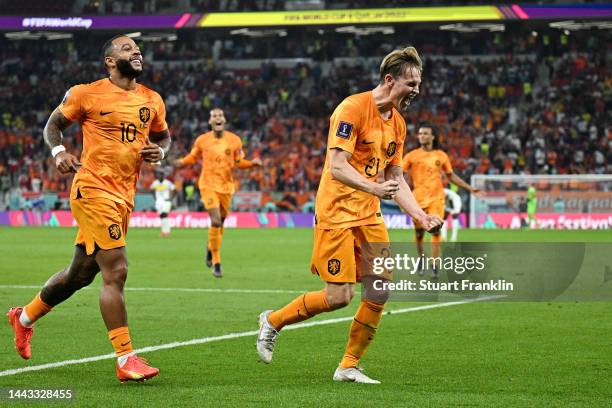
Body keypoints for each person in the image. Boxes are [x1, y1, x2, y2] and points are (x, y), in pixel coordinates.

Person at [256, 46, 443, 384]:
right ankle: (273, 321)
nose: (417, 90)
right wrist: (374, 189)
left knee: (380, 289)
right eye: (411, 84)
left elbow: (395, 178)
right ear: (389, 80)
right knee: (338, 297)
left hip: (368, 215)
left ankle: (348, 365)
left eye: (418, 84)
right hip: (336, 213)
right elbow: (338, 166)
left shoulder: (398, 124)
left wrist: (421, 215)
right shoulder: (352, 108)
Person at [7, 35, 170, 383]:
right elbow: (52, 125)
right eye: (126, 48)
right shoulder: (85, 93)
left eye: (137, 49)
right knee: (117, 270)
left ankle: (23, 318)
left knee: (79, 275)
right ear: (110, 61)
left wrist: (161, 151)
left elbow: (163, 136)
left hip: (124, 196)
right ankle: (125, 358)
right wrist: (58, 152)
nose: (136, 51)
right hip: (93, 190)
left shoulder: (152, 100)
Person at [174, 108, 261, 278]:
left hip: (227, 188)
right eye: (214, 116)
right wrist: (181, 162)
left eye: (220, 115)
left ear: (224, 119)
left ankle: (209, 247)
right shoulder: (202, 140)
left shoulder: (235, 140)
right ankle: (216, 262)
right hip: (207, 185)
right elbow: (193, 157)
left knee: (220, 224)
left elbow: (238, 161)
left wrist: (252, 164)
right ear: (210, 121)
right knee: (215, 221)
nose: (217, 118)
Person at [402, 124, 480, 276]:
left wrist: (470, 188)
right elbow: (399, 174)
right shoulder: (411, 156)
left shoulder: (441, 156)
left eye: (425, 133)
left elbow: (451, 176)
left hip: (437, 199)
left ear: (432, 137)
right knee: (419, 234)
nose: (421, 136)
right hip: (417, 200)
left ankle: (434, 265)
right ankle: (421, 259)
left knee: (436, 231)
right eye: (420, 133)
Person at [150, 171, 176, 237]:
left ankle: (166, 232)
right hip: (158, 201)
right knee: (162, 216)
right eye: (158, 175)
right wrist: (155, 198)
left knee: (164, 214)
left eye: (161, 175)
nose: (159, 176)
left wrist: (170, 198)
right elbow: (151, 190)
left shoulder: (167, 182)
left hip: (166, 200)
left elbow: (174, 189)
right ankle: (164, 231)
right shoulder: (155, 183)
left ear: (163, 176)